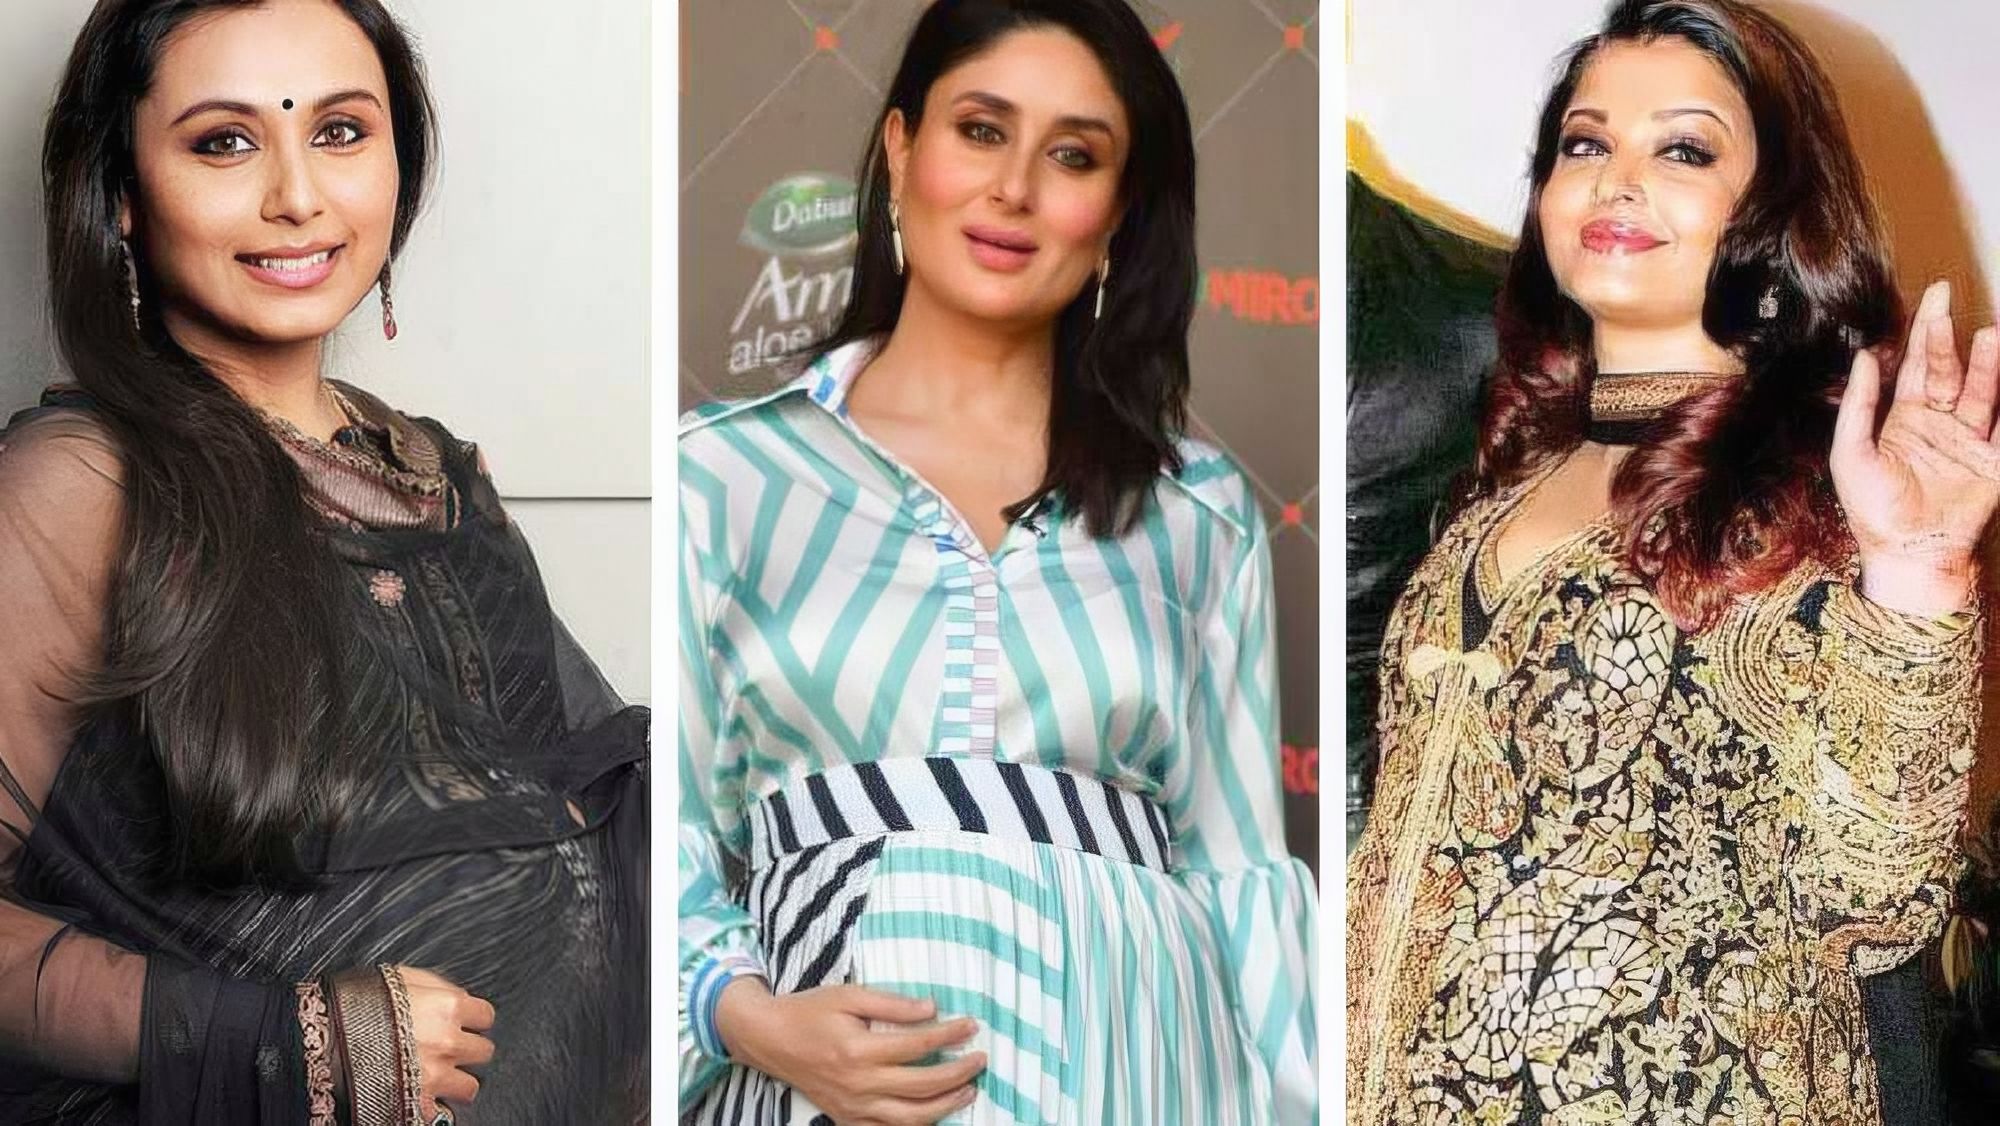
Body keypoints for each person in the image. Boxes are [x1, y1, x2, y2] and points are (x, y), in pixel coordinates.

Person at [1345, 1, 1995, 1123]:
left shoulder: (1818, 493)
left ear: (1774, 215)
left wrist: (1920, 577)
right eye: (1583, 144)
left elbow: (1876, 892)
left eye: (1683, 150)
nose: (1617, 180)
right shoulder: (1494, 489)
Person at [0, 1, 647, 1122]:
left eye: (340, 131)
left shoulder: (437, 475)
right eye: (225, 141)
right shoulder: (84, 486)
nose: (297, 196)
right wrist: (279, 1041)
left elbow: (583, 827)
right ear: (121, 192)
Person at [676, 1, 1317, 1123]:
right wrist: (744, 1014)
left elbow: (1239, 877)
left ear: (1117, 214)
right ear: (899, 149)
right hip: (819, 1085)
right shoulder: (719, 476)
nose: (1014, 187)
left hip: (1140, 1076)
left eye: (1072, 156)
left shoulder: (1199, 514)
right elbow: (668, 831)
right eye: (981, 130)